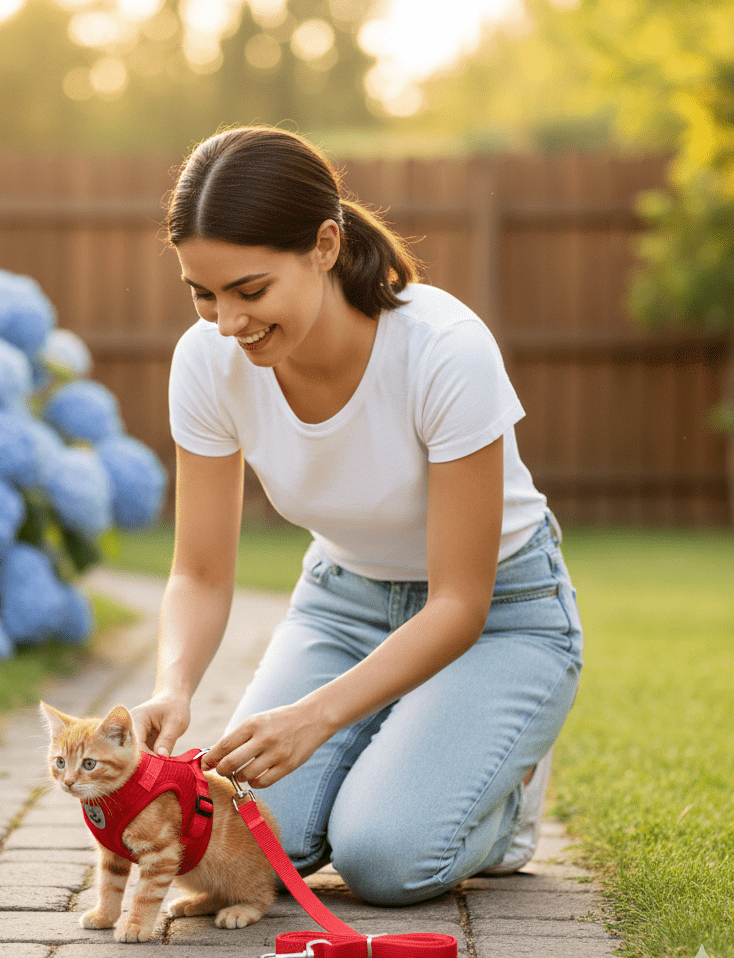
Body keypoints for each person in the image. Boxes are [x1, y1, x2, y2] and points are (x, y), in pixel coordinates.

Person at [129, 126, 584, 905]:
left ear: (325, 245)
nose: (226, 323)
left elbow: (458, 603)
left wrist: (316, 718)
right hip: (344, 608)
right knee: (250, 851)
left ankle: (504, 807)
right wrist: (174, 683)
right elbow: (199, 573)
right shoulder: (206, 361)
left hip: (502, 616)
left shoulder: (443, 348)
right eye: (202, 294)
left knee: (384, 859)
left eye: (249, 290)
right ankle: (406, 752)